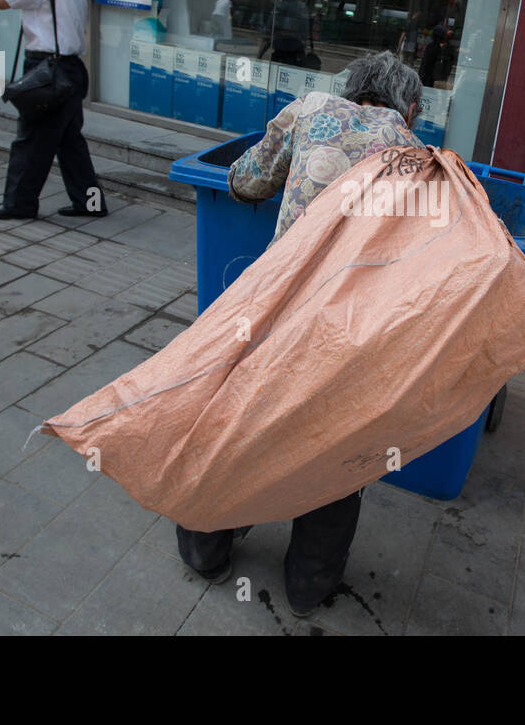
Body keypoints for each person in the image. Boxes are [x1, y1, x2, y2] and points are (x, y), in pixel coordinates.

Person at [173, 50, 424, 618]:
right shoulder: (421, 156)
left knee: (238, 427)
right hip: (355, 331)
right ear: (409, 107)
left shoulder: (311, 109)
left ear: (350, 87)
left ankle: (206, 551)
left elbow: (247, 181)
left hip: (280, 313)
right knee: (339, 455)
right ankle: (309, 587)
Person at [0, 0, 106, 220]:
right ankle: (89, 202)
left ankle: (19, 204)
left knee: (30, 139)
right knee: (69, 142)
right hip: (70, 70)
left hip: (48, 69)